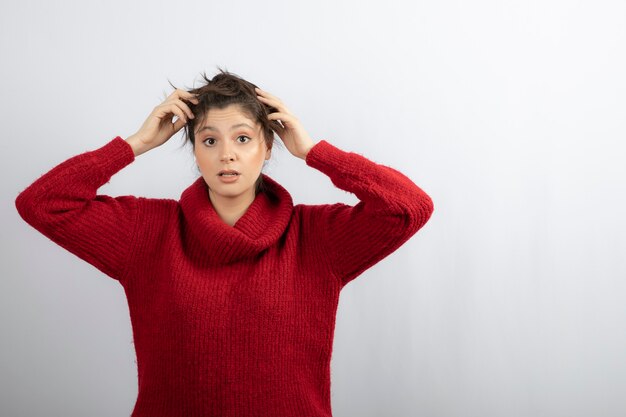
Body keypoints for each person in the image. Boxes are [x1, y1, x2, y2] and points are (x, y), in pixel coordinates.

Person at [14, 68, 435, 417]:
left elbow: (408, 207)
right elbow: (42, 204)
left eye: (243, 138)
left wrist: (313, 151)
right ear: (195, 151)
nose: (226, 154)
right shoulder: (147, 231)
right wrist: (135, 144)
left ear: (268, 147)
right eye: (210, 140)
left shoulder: (316, 237)